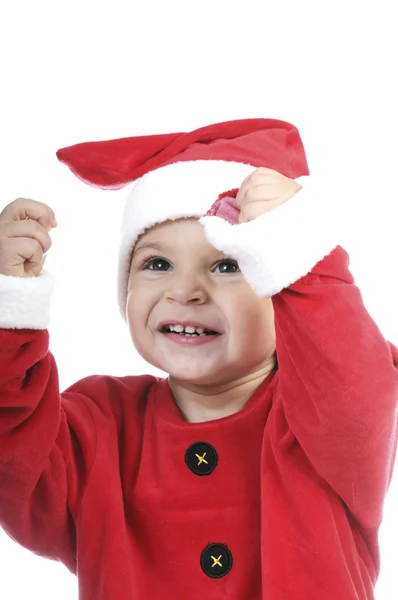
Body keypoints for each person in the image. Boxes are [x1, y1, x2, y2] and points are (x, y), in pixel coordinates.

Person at [0, 118, 397, 600]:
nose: (184, 291)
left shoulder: (317, 419)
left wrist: (302, 255)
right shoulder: (100, 424)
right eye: (157, 264)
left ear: (281, 284)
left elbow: (356, 386)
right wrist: (9, 316)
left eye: (227, 264)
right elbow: (15, 458)